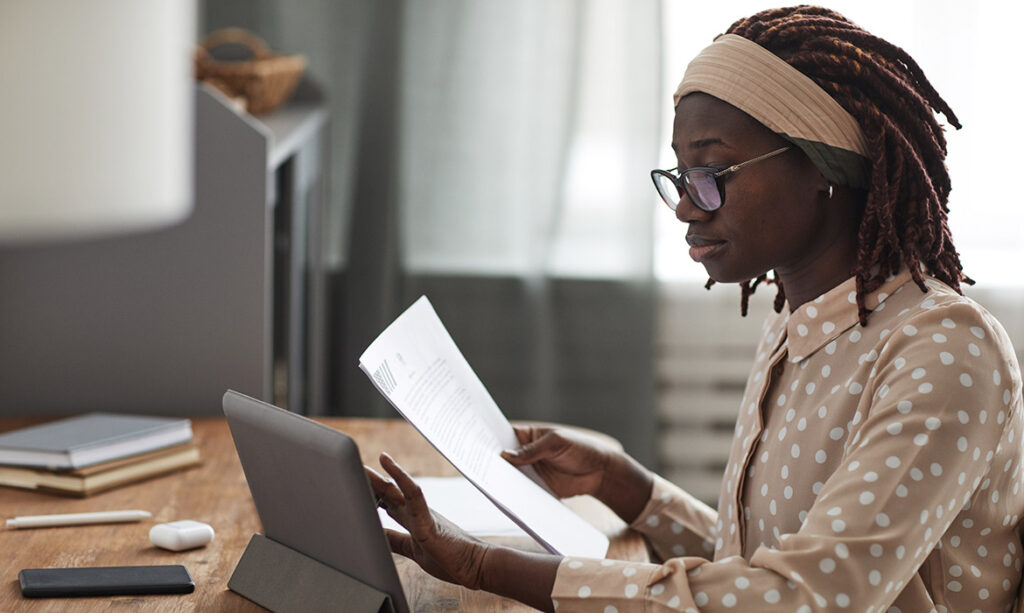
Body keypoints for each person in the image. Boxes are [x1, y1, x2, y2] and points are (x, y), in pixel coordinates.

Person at [366, 6, 1024, 612]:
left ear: (824, 165)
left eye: (712, 171)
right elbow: (762, 571)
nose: (686, 203)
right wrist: (626, 486)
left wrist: (487, 566)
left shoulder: (942, 349)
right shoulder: (795, 323)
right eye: (679, 175)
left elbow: (807, 597)